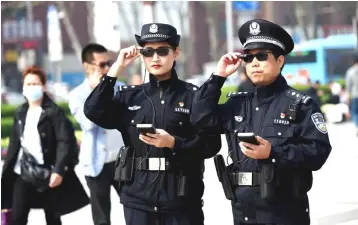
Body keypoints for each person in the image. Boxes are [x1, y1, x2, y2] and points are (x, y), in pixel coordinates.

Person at [190, 19, 332, 225]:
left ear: (280, 60)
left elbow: (318, 152)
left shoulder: (300, 104)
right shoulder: (237, 104)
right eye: (248, 57)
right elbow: (200, 118)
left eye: (262, 56)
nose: (254, 63)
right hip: (243, 212)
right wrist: (218, 76)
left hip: (285, 212)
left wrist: (273, 153)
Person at [84, 23, 221, 225]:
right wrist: (116, 69)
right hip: (138, 200)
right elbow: (93, 111)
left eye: (163, 51)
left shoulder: (193, 97)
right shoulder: (130, 97)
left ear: (176, 53)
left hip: (180, 199)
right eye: (148, 52)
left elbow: (211, 145)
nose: (155, 58)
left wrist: (174, 143)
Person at [1, 66, 89, 225]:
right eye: (28, 84)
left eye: (35, 83)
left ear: (43, 86)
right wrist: (6, 172)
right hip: (24, 173)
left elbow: (65, 142)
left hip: (49, 174)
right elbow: (15, 144)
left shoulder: (54, 112)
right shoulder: (20, 112)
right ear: (23, 87)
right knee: (17, 218)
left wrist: (59, 170)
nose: (31, 87)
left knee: (53, 219)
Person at [68, 43, 124, 225]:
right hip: (95, 162)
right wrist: (96, 92)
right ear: (87, 66)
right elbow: (89, 123)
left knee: (135, 210)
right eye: (101, 64)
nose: (107, 68)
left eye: (109, 63)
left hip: (122, 161)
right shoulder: (78, 95)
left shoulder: (120, 87)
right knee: (101, 218)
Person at [345, 56, 358, 135]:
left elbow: (348, 85)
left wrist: (347, 96)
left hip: (354, 95)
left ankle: (357, 126)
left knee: (355, 112)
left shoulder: (350, 71)